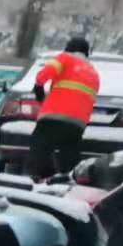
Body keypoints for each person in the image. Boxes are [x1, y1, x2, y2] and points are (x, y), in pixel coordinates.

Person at [26, 36, 98, 182]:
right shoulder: (93, 72)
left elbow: (45, 74)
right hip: (78, 123)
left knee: (40, 146)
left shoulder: (66, 58)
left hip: (55, 115)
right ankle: (68, 181)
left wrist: (38, 86)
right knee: (69, 154)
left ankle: (36, 179)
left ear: (69, 48)